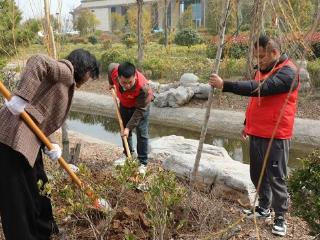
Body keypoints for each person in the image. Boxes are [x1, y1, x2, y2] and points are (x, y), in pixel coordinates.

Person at [0, 49, 99, 240]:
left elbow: (41, 117)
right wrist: (21, 98)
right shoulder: (66, 71)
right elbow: (38, 61)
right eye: (90, 74)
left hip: (29, 141)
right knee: (18, 197)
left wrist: (51, 145)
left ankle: (45, 230)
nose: (88, 79)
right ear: (83, 66)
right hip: (11, 139)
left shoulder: (66, 82)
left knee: (39, 186)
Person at [209, 35, 299, 237]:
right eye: (256, 57)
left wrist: (226, 85)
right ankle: (263, 208)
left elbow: (260, 90)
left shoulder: (289, 73)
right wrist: (247, 123)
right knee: (257, 174)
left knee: (276, 177)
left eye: (261, 56)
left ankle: (280, 217)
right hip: (257, 132)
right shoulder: (263, 69)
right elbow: (255, 103)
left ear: (274, 53)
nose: (258, 61)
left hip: (277, 135)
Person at [108, 62, 153, 175]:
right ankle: (128, 155)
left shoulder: (143, 88)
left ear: (135, 77)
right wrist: (110, 84)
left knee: (141, 133)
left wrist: (128, 127)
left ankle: (142, 163)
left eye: (130, 82)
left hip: (140, 108)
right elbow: (110, 67)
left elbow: (140, 111)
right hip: (124, 104)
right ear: (118, 77)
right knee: (124, 131)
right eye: (124, 82)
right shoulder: (114, 71)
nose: (127, 85)